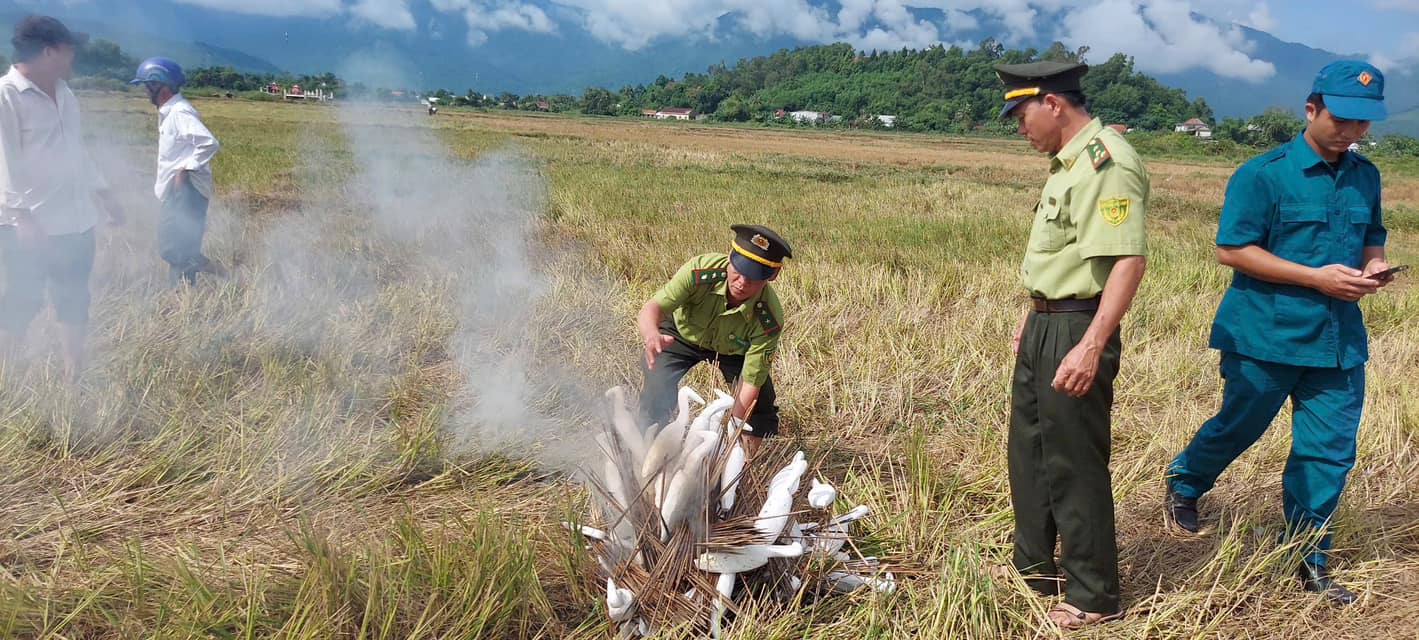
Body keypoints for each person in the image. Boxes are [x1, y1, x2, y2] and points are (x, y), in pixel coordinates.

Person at [1164, 61, 1393, 605]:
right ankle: (1186, 479)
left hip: (1337, 343)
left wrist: (1375, 267)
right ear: (1311, 108)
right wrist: (1315, 277)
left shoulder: (1366, 176)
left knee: (1329, 453)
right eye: (1342, 119)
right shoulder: (1262, 174)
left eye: (1363, 123)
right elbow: (1232, 249)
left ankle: (1308, 557)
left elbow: (1373, 235)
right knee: (1239, 426)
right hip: (1264, 336)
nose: (1352, 132)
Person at [995, 60, 1149, 629]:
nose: (1019, 127)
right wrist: (1033, 314)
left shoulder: (1106, 161)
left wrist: (1089, 344)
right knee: (1029, 451)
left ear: (1053, 104)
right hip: (1046, 321)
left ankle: (1092, 593)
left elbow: (1127, 260)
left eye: (1022, 114)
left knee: (1073, 460)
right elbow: (1062, 255)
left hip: (1079, 325)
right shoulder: (1066, 165)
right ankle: (1035, 568)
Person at [0, 15, 125, 379]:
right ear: (49, 51)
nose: (74, 57)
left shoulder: (66, 95)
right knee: (22, 300)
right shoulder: (6, 95)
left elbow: (76, 151)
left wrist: (103, 192)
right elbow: (2, 160)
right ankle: (5, 378)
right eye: (70, 49)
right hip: (28, 225)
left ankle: (74, 376)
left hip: (75, 219)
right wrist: (23, 218)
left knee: (74, 298)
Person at [638, 224, 792, 457]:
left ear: (773, 275)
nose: (741, 282)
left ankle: (741, 462)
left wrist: (734, 426)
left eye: (753, 278)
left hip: (734, 351)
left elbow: (751, 381)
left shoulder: (768, 318)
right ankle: (648, 452)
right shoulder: (700, 272)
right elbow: (654, 307)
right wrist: (652, 335)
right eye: (738, 271)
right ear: (730, 257)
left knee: (759, 406)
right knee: (656, 387)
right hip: (682, 334)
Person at [130, 57, 223, 285]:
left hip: (186, 191)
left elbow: (209, 143)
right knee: (178, 249)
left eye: (146, 85)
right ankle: (186, 295)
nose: (144, 91)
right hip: (178, 191)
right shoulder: (169, 113)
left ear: (159, 85)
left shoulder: (179, 113)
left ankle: (209, 281)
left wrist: (185, 169)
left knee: (175, 249)